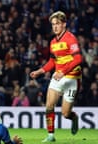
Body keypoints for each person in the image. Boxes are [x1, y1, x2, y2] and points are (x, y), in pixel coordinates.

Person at [30, 11, 82, 142]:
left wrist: (63, 72)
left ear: (64, 24)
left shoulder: (71, 39)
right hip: (57, 77)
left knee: (65, 114)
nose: (55, 27)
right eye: (53, 24)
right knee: (49, 106)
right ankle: (51, 135)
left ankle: (73, 117)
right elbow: (52, 61)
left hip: (72, 78)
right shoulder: (53, 42)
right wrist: (40, 71)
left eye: (57, 24)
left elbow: (78, 58)